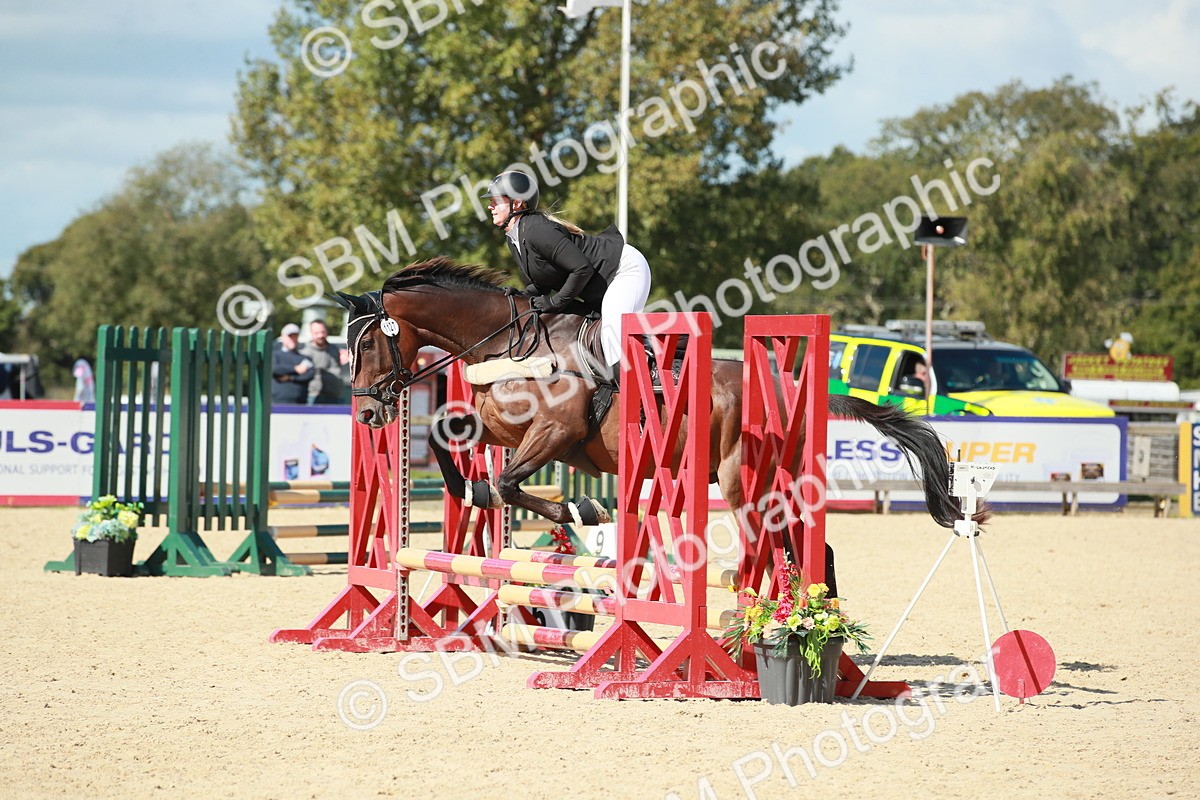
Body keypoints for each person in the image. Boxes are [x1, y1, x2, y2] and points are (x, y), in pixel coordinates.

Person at [481, 170, 652, 372]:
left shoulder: (536, 229)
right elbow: (545, 280)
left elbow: (581, 268)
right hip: (601, 283)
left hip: (624, 270)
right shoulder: (514, 237)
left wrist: (555, 302)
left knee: (613, 341)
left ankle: (653, 375)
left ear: (517, 203)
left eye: (496, 201)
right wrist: (523, 295)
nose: (490, 206)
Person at [301, 319, 349, 405]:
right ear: (311, 333)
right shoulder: (306, 352)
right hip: (314, 397)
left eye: (323, 332)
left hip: (336, 395)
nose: (321, 335)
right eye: (317, 333)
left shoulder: (334, 349)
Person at [271, 323, 313, 405]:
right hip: (278, 402)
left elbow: (309, 375)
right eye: (290, 336)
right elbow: (275, 369)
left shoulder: (304, 358)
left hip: (300, 403)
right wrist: (295, 369)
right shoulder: (275, 355)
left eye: (295, 336)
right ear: (283, 337)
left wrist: (290, 378)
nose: (292, 339)